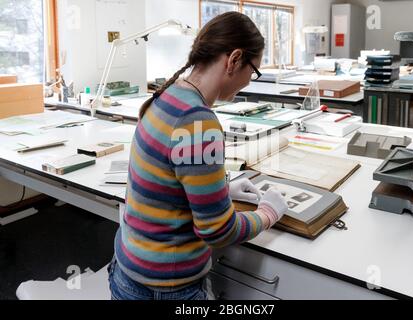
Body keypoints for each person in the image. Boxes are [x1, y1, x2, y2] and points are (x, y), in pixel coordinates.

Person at [108, 11, 289, 300]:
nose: (250, 81)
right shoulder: (197, 121)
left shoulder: (166, 96)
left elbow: (163, 185)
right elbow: (218, 231)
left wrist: (220, 191)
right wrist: (267, 214)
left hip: (127, 272)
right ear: (234, 60)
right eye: (253, 71)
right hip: (166, 288)